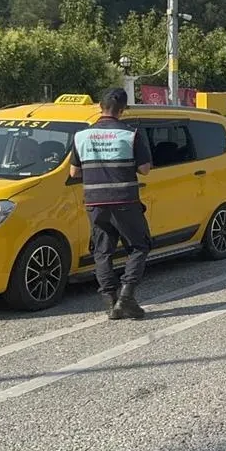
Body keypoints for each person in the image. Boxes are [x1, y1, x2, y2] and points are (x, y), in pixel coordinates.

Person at [69, 88, 153, 320]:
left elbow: (74, 172)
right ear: (123, 109)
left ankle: (110, 300)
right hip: (125, 200)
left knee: (102, 251)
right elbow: (145, 169)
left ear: (100, 106)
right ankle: (127, 296)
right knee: (139, 246)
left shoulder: (81, 136)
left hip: (95, 202)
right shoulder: (130, 134)